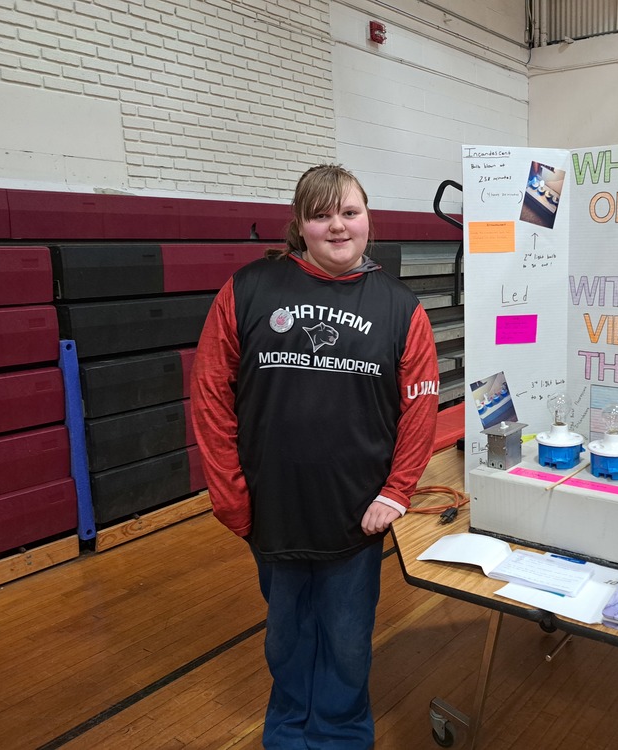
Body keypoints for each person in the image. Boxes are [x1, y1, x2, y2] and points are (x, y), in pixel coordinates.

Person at [191, 164, 439, 749]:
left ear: (368, 221)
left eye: (349, 212)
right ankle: (287, 732)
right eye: (321, 214)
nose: (337, 226)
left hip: (357, 513)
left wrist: (397, 491)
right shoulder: (248, 289)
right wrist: (229, 492)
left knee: (348, 638)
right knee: (287, 635)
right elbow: (209, 393)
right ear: (299, 224)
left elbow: (420, 409)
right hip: (272, 506)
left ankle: (342, 735)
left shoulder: (402, 308)